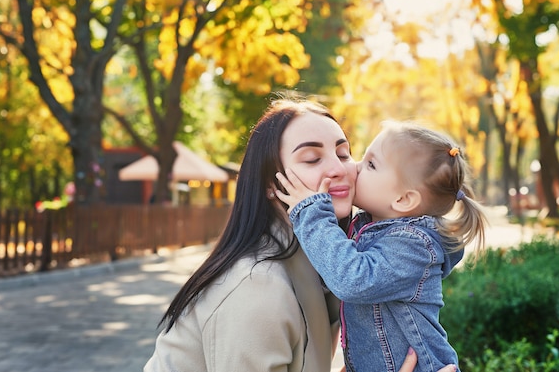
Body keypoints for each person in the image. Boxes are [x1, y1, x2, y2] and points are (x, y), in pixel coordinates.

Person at [144, 99, 456, 372]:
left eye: (344, 154)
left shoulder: (327, 262)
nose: (339, 168)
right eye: (311, 159)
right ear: (270, 182)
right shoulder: (257, 286)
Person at [275, 120, 488, 372]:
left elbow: (352, 279)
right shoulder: (369, 228)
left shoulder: (413, 246)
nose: (354, 167)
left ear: (403, 199)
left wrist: (311, 213)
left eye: (371, 165)